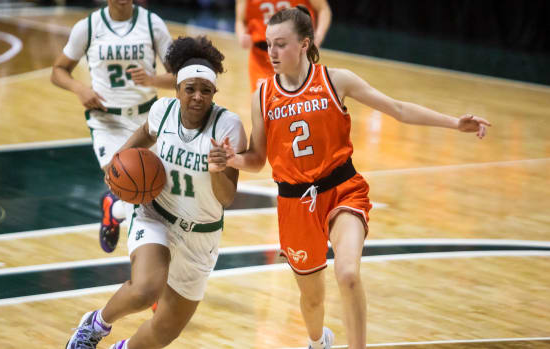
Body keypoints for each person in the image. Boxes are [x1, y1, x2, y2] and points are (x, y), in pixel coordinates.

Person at [210, 6, 491, 349]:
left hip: (342, 190)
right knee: (312, 301)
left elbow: (398, 109)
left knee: (347, 273)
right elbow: (257, 160)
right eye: (269, 44)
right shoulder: (263, 95)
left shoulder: (335, 80)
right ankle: (318, 341)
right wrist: (231, 159)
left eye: (281, 44)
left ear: (304, 44)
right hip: (294, 204)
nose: (272, 52)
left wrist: (453, 123)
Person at [65, 35, 247, 349]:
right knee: (145, 290)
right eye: (190, 89)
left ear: (214, 93)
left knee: (166, 330)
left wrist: (218, 169)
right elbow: (133, 146)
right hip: (155, 215)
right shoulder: (162, 112)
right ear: (177, 90)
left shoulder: (228, 126)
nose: (197, 97)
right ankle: (94, 326)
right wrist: (117, 172)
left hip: (200, 236)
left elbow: (226, 198)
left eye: (206, 91)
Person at [51, 0, 175, 254]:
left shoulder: (152, 24)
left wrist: (152, 79)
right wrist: (80, 89)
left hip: (147, 119)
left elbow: (178, 75)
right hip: (106, 120)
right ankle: (147, 268)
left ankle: (113, 207)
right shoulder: (88, 26)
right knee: (133, 189)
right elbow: (58, 71)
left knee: (155, 193)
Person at [235, 0, 331, 92]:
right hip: (261, 58)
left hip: (295, 56)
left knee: (297, 103)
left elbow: (323, 9)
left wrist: (318, 37)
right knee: (264, 103)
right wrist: (242, 35)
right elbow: (240, 20)